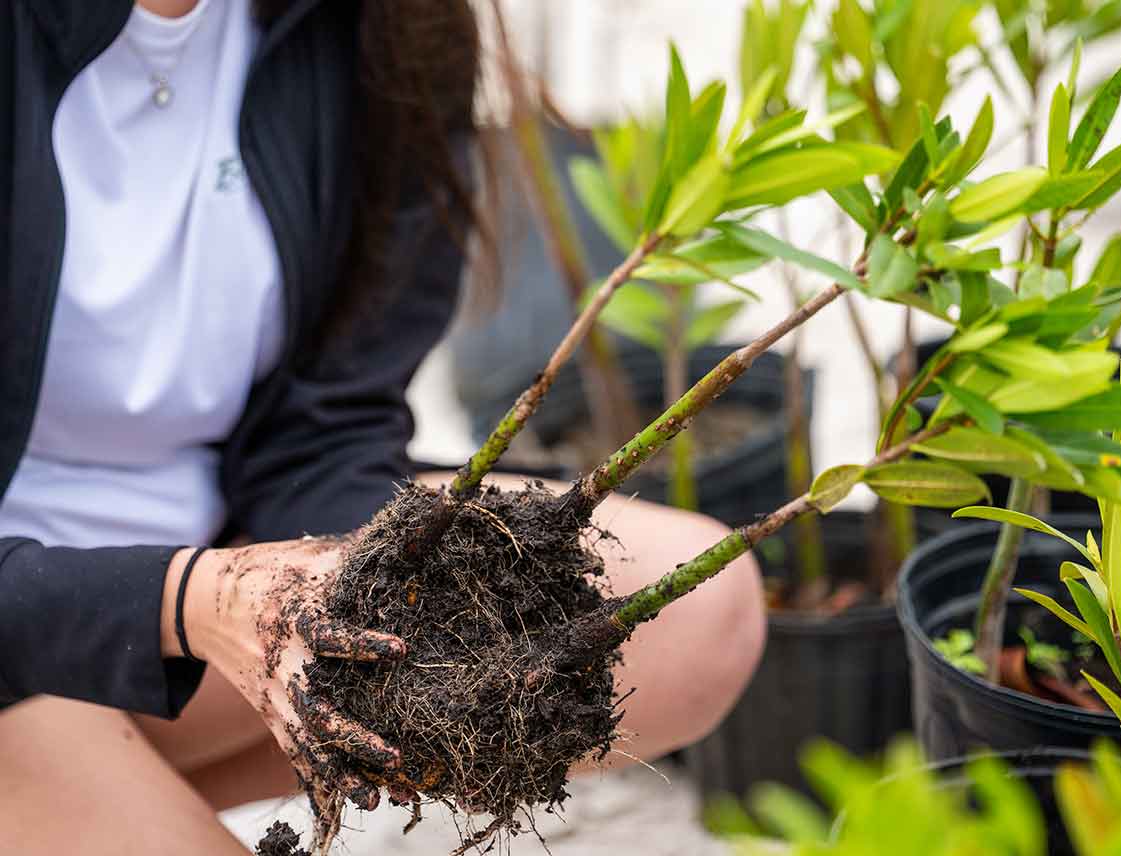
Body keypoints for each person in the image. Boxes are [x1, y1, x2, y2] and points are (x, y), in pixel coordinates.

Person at [0, 1, 766, 853]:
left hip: (197, 583)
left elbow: (329, 422)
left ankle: (97, 787)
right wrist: (184, 601)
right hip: (27, 629)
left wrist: (361, 569)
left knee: (685, 610)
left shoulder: (378, 27)